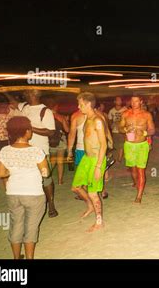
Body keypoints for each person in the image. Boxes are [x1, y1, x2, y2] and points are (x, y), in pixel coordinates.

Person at [0, 116, 49, 259]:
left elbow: (1, 173)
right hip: (33, 193)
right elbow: (45, 173)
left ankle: (16, 257)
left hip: (13, 192)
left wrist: (13, 170)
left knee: (16, 225)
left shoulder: (4, 150)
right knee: (31, 227)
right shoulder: (36, 151)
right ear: (27, 132)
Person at [13, 90, 58, 218]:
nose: (25, 93)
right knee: (27, 179)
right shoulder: (25, 106)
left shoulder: (45, 111)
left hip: (40, 151)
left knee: (45, 179)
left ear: (34, 94)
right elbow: (14, 103)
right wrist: (5, 91)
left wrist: (30, 128)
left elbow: (50, 132)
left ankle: (51, 205)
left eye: (28, 92)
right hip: (24, 151)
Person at [70, 92, 107, 232]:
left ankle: (99, 221)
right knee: (76, 187)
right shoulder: (86, 118)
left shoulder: (97, 120)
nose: (78, 106)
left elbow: (103, 144)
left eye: (81, 104)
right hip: (86, 158)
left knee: (93, 193)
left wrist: (98, 166)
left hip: (96, 159)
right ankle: (90, 206)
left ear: (89, 104)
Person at [118, 95, 155, 203]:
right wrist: (125, 129)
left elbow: (152, 130)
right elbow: (119, 128)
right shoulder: (125, 114)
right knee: (132, 169)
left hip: (142, 145)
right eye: (132, 101)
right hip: (129, 144)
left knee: (141, 170)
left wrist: (144, 132)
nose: (134, 103)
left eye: (136, 101)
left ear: (141, 102)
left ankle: (139, 196)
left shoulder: (146, 115)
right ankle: (136, 183)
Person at [44, 98, 69, 185]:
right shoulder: (60, 117)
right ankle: (60, 181)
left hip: (50, 141)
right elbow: (67, 129)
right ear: (55, 107)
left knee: (52, 161)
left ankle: (45, 177)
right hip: (61, 141)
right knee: (60, 162)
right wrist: (66, 121)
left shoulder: (45, 117)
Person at [108, 97, 127, 163]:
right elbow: (110, 120)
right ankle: (120, 155)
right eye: (118, 100)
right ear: (115, 101)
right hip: (115, 130)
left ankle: (119, 158)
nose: (119, 101)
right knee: (115, 144)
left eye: (120, 100)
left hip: (122, 130)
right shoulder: (111, 111)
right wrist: (111, 125)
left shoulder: (125, 109)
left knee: (121, 144)